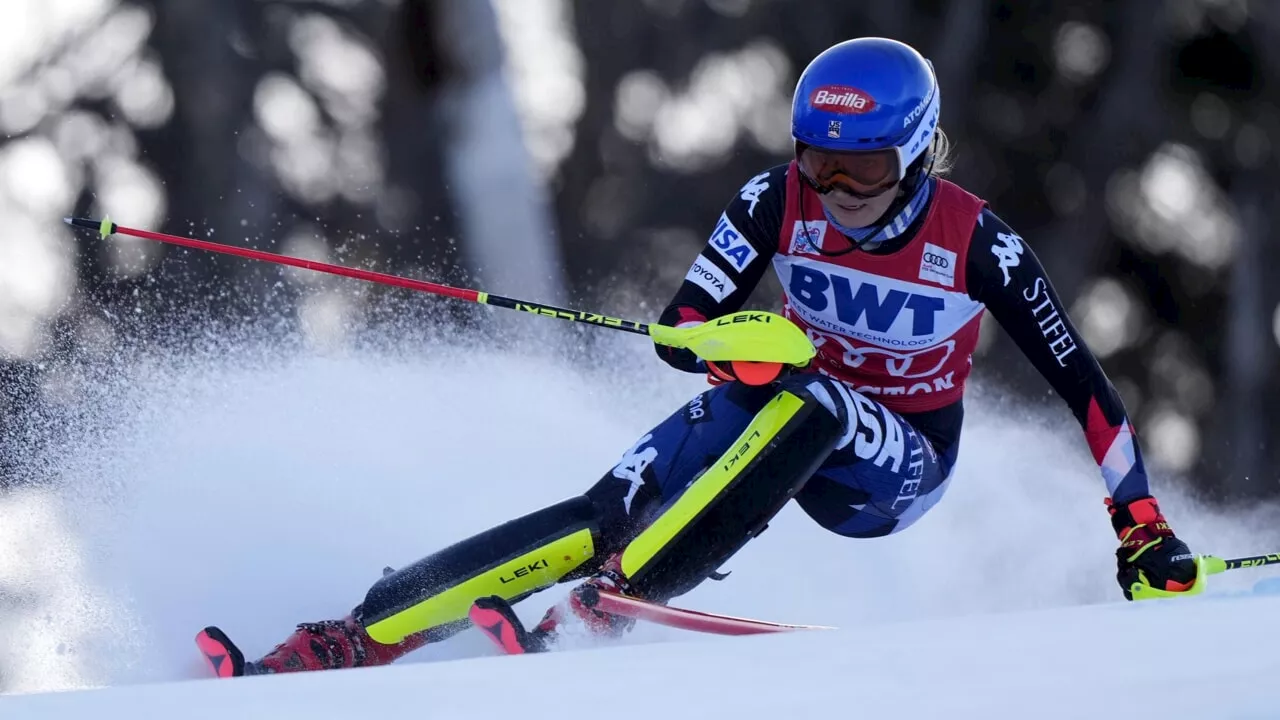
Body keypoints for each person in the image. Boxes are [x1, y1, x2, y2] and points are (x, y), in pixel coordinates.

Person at [196, 36, 1199, 677]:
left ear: (920, 154)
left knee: (815, 404)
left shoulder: (972, 241)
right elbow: (683, 326)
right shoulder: (775, 202)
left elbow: (1085, 387)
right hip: (771, 411)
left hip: (893, 466)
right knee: (602, 510)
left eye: (864, 172)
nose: (837, 193)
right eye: (818, 162)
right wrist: (727, 342)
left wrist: (1139, 527)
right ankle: (359, 633)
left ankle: (617, 602)